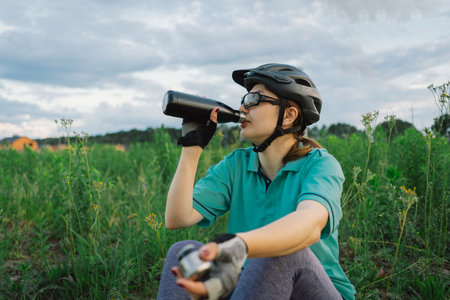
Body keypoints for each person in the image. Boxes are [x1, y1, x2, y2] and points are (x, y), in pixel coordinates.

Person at [157, 63, 356, 300]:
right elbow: (177, 218)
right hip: (255, 287)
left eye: (253, 99)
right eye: (243, 99)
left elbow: (309, 226)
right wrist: (192, 147)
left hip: (313, 291)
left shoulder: (320, 165)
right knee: (183, 252)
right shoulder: (236, 165)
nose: (242, 107)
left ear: (289, 115)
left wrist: (238, 246)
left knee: (280, 252)